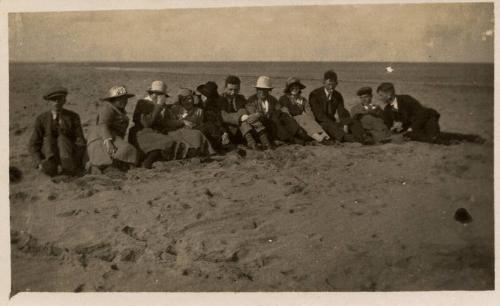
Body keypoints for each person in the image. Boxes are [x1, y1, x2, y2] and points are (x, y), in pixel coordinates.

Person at [130, 82, 215, 168]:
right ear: (151, 93)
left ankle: (198, 153)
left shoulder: (162, 106)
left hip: (159, 132)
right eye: (156, 94)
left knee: (193, 134)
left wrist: (182, 122)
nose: (158, 96)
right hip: (143, 133)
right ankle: (148, 161)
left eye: (161, 94)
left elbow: (166, 122)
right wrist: (158, 106)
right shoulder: (143, 103)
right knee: (166, 142)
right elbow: (147, 123)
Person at [28, 86, 86, 177]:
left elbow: (80, 141)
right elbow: (34, 144)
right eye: (53, 100)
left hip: (69, 155)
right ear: (48, 102)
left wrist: (77, 160)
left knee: (63, 139)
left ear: (64, 100)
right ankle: (51, 166)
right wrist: (38, 162)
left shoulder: (73, 117)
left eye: (59, 99)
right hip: (49, 154)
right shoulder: (41, 119)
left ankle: (67, 168)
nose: (56, 102)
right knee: (48, 139)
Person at [309, 70, 370, 144]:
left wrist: (345, 123)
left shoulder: (337, 95)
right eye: (329, 84)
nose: (331, 87)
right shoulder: (315, 94)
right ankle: (351, 138)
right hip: (320, 123)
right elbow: (319, 116)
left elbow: (341, 112)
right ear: (323, 82)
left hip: (332, 122)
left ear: (336, 83)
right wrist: (334, 124)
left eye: (333, 85)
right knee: (331, 126)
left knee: (352, 121)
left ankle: (363, 136)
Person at [87, 85, 138, 173]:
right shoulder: (108, 107)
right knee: (104, 157)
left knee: (128, 150)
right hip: (100, 137)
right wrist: (108, 141)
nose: (124, 101)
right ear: (113, 100)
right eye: (120, 99)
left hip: (113, 137)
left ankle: (115, 165)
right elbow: (103, 124)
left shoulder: (119, 110)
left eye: (125, 98)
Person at [246, 76, 305, 147]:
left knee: (282, 116)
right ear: (257, 90)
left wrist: (287, 113)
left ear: (269, 90)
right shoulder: (251, 100)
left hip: (272, 126)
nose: (262, 92)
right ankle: (290, 139)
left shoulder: (272, 99)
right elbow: (253, 116)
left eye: (265, 90)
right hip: (260, 129)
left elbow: (280, 109)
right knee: (274, 118)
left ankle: (295, 134)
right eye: (260, 89)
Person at [377, 82, 441, 143]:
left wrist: (411, 127)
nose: (379, 98)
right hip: (413, 131)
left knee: (434, 138)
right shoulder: (387, 109)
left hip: (426, 122)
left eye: (381, 95)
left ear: (389, 95)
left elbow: (422, 113)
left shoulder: (406, 99)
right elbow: (389, 125)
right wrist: (394, 128)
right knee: (411, 136)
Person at [219, 75, 271, 149]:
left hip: (245, 130)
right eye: (230, 89)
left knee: (248, 114)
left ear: (239, 88)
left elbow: (249, 107)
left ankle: (265, 143)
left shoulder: (240, 98)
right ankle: (253, 143)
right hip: (230, 130)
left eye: (236, 90)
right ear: (225, 88)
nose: (233, 92)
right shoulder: (220, 100)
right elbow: (224, 116)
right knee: (242, 113)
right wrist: (240, 118)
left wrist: (256, 114)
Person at [278, 77, 330, 143]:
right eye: (292, 87)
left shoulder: (303, 100)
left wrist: (310, 119)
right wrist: (301, 117)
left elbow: (309, 112)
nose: (294, 89)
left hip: (305, 122)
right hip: (292, 123)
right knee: (302, 118)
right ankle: (320, 138)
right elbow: (286, 114)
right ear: (288, 89)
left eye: (296, 87)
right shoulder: (283, 99)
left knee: (308, 119)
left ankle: (324, 136)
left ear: (299, 88)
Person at [196, 81, 230, 152]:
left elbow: (218, 119)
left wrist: (224, 132)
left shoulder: (212, 107)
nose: (204, 97)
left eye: (206, 96)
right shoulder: (198, 101)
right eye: (203, 94)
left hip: (212, 130)